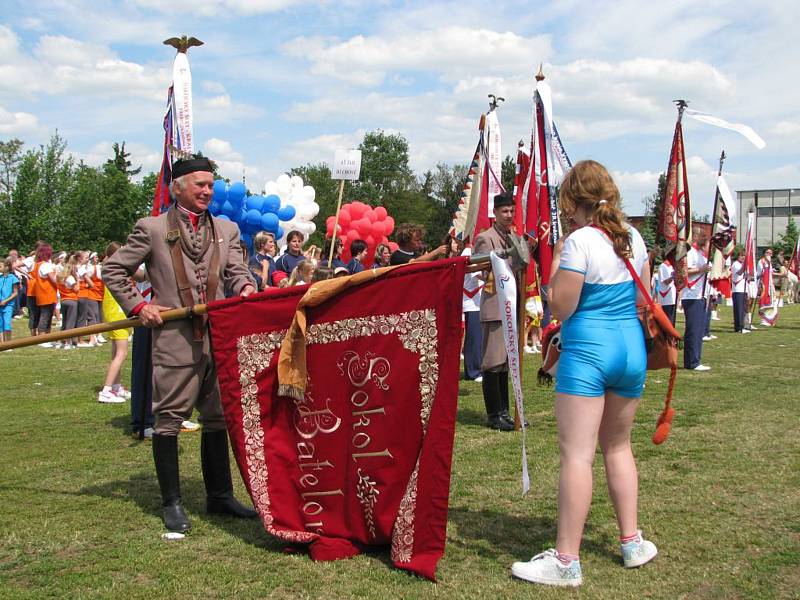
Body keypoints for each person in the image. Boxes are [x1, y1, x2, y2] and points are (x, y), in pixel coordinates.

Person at [511, 160, 656, 587]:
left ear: (573, 202)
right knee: (618, 447)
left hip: (590, 350)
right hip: (630, 348)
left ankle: (566, 560)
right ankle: (632, 541)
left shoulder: (579, 243)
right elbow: (644, 297)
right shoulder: (632, 237)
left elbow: (561, 307)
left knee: (577, 454)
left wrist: (553, 266)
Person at [103, 156, 258, 533]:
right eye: (199, 184)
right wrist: (140, 305)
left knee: (218, 416)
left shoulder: (227, 229)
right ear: (178, 187)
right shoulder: (152, 228)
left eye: (210, 185)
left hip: (218, 337)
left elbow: (237, 271)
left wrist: (247, 288)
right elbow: (112, 269)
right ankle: (172, 502)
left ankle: (219, 496)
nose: (207, 191)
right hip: (174, 338)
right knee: (170, 418)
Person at [473, 191, 528, 431]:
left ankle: (505, 411)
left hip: (511, 305)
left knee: (506, 362)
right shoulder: (486, 237)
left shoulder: (513, 237)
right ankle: (494, 413)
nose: (509, 215)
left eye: (511, 211)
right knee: (493, 361)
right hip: (495, 304)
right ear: (495, 213)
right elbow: (478, 264)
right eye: (504, 211)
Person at [681, 231, 712, 371]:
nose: (706, 240)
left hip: (700, 295)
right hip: (691, 295)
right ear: (695, 237)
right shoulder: (691, 253)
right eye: (703, 237)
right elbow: (684, 271)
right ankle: (692, 361)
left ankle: (695, 359)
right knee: (693, 330)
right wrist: (701, 269)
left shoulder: (701, 254)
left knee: (698, 330)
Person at [461, 244, 483, 382]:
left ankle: (478, 368)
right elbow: (479, 274)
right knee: (474, 339)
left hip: (478, 300)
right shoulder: (469, 251)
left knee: (479, 338)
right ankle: (473, 371)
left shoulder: (478, 249)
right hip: (471, 301)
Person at [32, 244, 58, 345]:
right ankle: (42, 337)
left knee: (47, 316)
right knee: (45, 316)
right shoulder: (45, 265)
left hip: (43, 294)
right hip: (47, 294)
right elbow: (54, 280)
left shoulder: (38, 264)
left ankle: (46, 337)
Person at [56, 253, 80, 349]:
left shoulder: (60, 278)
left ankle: (62, 341)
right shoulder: (70, 278)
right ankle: (68, 342)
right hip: (72, 300)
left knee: (65, 322)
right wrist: (77, 279)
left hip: (63, 299)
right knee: (70, 322)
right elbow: (76, 289)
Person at [0, 258, 20, 344]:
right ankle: (2, 343)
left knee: (7, 324)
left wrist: (6, 301)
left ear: (7, 267)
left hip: (8, 305)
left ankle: (8, 343)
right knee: (0, 325)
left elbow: (15, 293)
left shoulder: (13, 278)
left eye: (0, 266)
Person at [655, 257, 676, 324]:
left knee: (671, 322)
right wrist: (674, 275)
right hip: (665, 298)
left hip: (672, 298)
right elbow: (666, 282)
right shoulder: (663, 266)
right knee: (667, 322)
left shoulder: (672, 266)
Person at [731, 250, 748, 333]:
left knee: (743, 309)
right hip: (737, 291)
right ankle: (738, 327)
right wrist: (745, 264)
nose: (743, 257)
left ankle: (743, 325)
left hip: (743, 289)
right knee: (738, 309)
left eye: (744, 256)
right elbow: (740, 272)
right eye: (741, 255)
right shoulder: (736, 264)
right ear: (738, 256)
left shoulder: (741, 264)